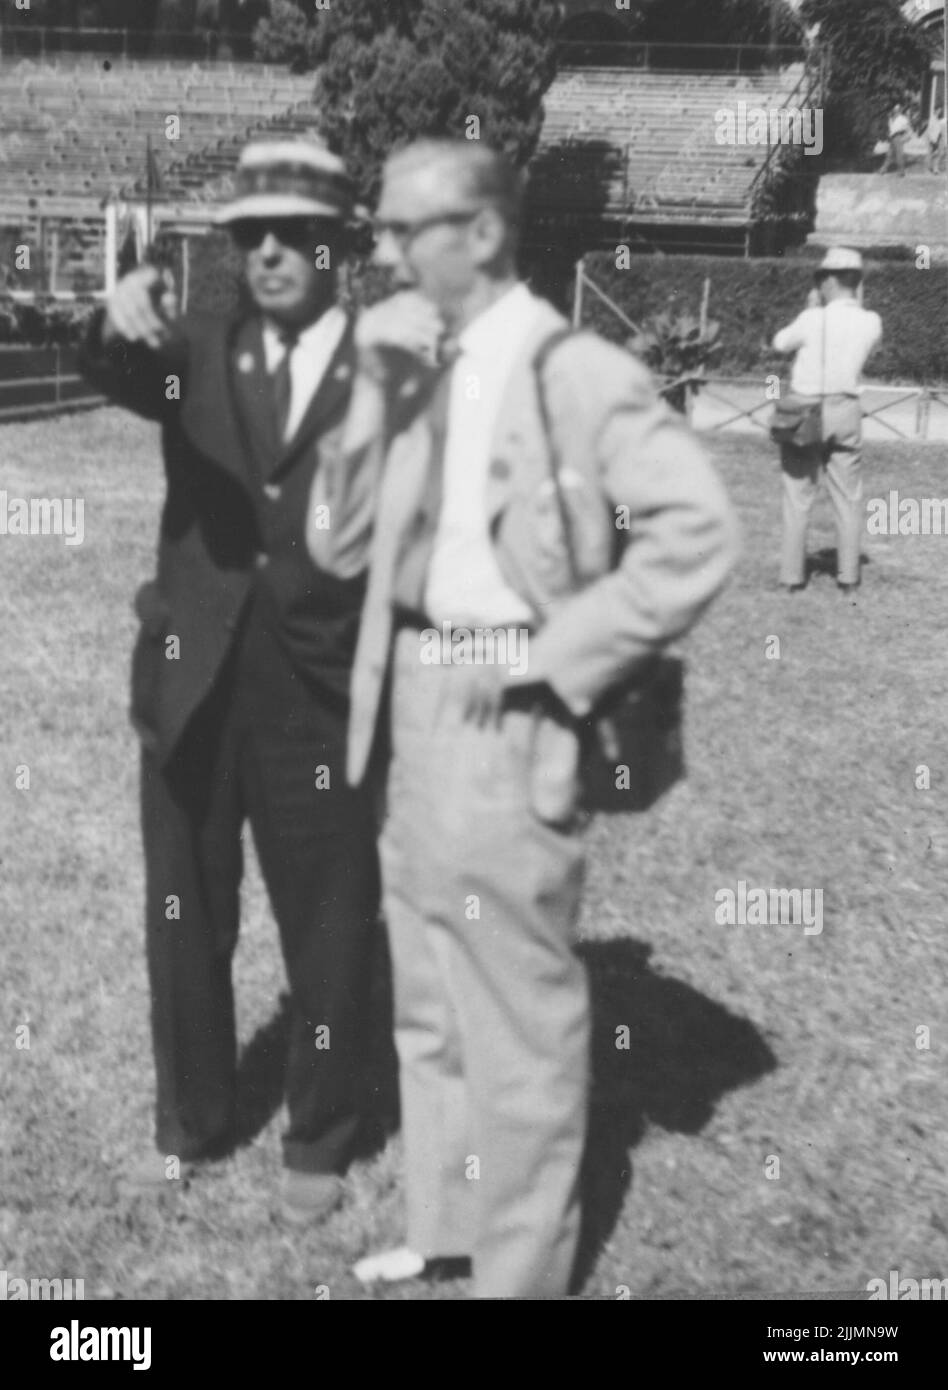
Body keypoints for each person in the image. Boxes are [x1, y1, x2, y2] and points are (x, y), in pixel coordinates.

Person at [308, 139, 738, 1297]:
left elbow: (699, 528)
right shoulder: (409, 363)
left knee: (522, 1026)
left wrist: (554, 656)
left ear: (483, 234)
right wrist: (368, 411)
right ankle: (447, 1226)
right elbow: (336, 545)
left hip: (512, 713)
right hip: (409, 702)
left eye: (404, 231)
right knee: (433, 989)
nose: (383, 253)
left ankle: (518, 1278)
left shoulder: (576, 371)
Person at [80, 141, 380, 1222]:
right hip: (192, 681)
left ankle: (320, 1134)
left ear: (335, 241)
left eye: (290, 231)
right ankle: (193, 1117)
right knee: (184, 911)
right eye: (247, 233)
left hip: (325, 694)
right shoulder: (194, 348)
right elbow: (125, 373)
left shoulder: (391, 372)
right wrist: (117, 321)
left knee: (331, 925)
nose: (265, 252)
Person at [772, 247, 882, 595]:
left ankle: (792, 576)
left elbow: (780, 344)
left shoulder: (812, 318)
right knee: (848, 497)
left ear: (830, 280)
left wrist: (809, 311)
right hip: (847, 409)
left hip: (806, 409)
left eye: (821, 278)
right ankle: (848, 577)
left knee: (797, 495)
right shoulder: (871, 321)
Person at [881, 103, 910, 176]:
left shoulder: (903, 119)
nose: (896, 111)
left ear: (900, 110)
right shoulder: (891, 119)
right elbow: (890, 128)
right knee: (889, 154)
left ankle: (901, 172)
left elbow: (907, 129)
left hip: (898, 136)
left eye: (898, 110)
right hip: (892, 137)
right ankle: (883, 169)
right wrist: (889, 134)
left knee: (899, 155)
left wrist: (905, 137)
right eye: (895, 110)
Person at [927, 103, 946, 175]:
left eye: (940, 110)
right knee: (934, 154)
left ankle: (935, 168)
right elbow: (930, 129)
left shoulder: (938, 118)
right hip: (934, 139)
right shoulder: (932, 118)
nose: (939, 111)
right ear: (935, 110)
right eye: (938, 110)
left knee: (940, 153)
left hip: (939, 138)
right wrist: (932, 139)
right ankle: (933, 168)